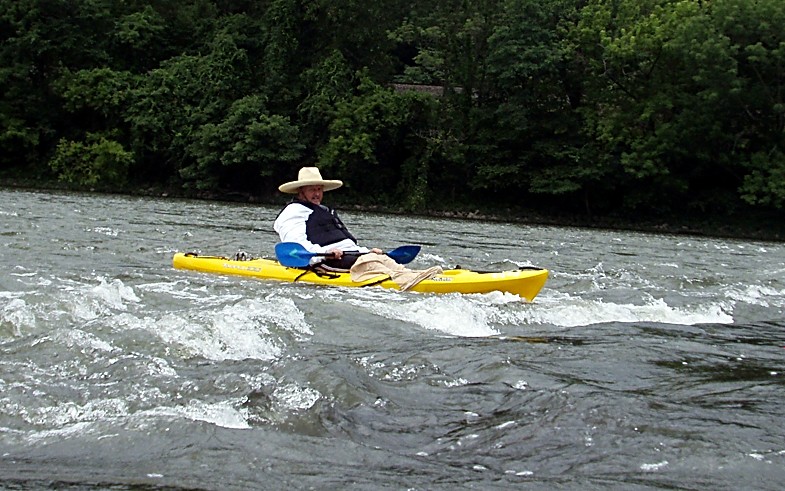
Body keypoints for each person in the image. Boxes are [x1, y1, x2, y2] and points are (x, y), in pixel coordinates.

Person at [273, 167, 383, 269]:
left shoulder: (325, 210)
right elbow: (297, 243)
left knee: (382, 259)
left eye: (319, 189)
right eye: (312, 189)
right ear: (301, 191)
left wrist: (367, 251)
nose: (317, 193)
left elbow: (347, 244)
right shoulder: (293, 211)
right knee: (371, 263)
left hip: (350, 256)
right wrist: (326, 253)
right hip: (325, 260)